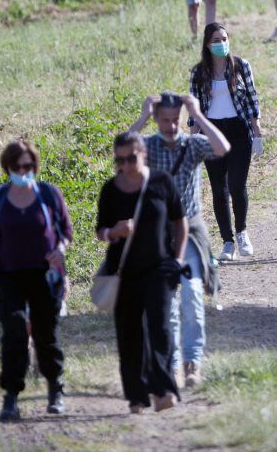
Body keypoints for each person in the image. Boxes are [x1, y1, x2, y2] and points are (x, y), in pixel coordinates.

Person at [128, 92, 229, 389]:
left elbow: (222, 147)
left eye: (175, 120)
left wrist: (196, 115)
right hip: (157, 233)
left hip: (191, 232)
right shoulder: (146, 146)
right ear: (157, 119)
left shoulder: (192, 144)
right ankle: (171, 364)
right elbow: (121, 151)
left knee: (193, 294)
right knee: (165, 304)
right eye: (165, 120)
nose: (171, 126)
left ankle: (192, 361)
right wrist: (144, 114)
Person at [0, 140, 73, 422]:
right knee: (15, 331)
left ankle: (56, 389)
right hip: (8, 276)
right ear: (7, 168)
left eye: (28, 165)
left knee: (46, 334)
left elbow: (65, 231)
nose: (23, 170)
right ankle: (11, 397)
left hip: (44, 275)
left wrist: (61, 249)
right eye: (17, 166)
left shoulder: (48, 194)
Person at [96, 132, 186, 413]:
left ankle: (163, 390)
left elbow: (179, 223)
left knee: (159, 328)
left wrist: (178, 261)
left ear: (143, 152)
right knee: (129, 332)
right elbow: (101, 231)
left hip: (159, 267)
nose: (126, 165)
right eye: (119, 160)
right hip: (124, 272)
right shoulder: (111, 189)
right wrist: (115, 231)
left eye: (131, 158)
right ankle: (136, 396)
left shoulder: (161, 182)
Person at [188, 22, 263, 261]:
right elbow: (195, 108)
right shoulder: (198, 72)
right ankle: (227, 241)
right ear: (207, 45)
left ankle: (242, 232)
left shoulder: (241, 66)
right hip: (212, 132)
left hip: (239, 130)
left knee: (237, 185)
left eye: (224, 39)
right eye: (216, 40)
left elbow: (252, 98)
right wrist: (193, 138)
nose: (222, 44)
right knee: (218, 189)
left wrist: (257, 130)